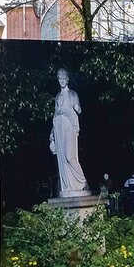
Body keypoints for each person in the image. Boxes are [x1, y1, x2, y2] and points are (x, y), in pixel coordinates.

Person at [49, 68, 89, 197]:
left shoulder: (72, 94)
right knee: (62, 159)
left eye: (64, 78)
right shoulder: (57, 96)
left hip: (69, 125)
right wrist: (52, 135)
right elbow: (55, 115)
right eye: (59, 78)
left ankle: (82, 181)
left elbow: (79, 110)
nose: (62, 80)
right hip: (58, 127)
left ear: (67, 79)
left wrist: (77, 107)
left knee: (69, 156)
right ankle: (68, 187)